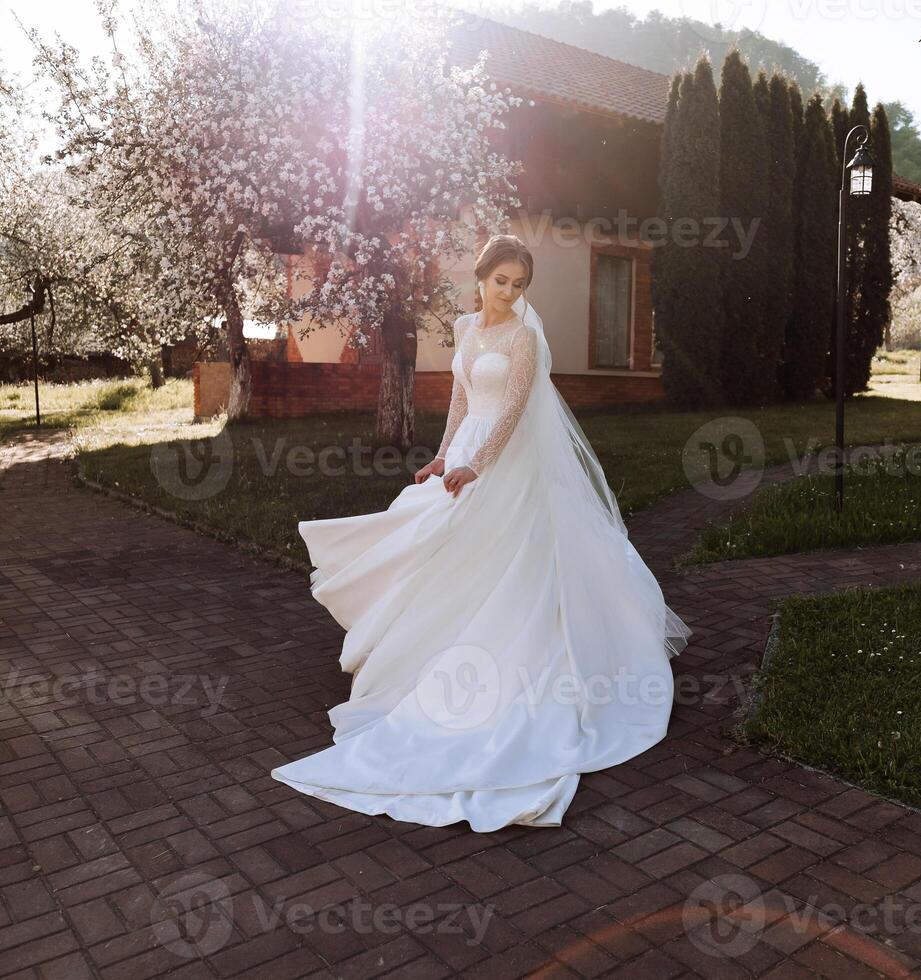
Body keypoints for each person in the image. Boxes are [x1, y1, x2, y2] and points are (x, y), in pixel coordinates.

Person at [271, 234, 692, 832]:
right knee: (431, 547)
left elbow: (514, 409)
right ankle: (425, 653)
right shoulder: (468, 328)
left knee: (506, 557)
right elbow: (461, 401)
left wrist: (478, 465)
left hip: (507, 462)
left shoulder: (524, 337)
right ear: (482, 277)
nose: (510, 292)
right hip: (467, 454)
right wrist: (445, 457)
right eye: (502, 281)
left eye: (519, 284)